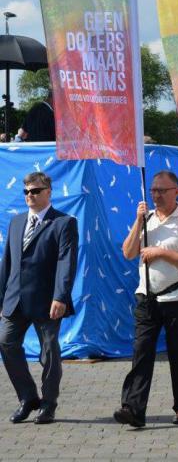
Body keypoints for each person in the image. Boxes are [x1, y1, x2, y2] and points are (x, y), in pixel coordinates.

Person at [114, 171, 178, 428]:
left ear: (176, 191)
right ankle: (133, 408)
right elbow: (129, 252)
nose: (156, 195)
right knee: (141, 353)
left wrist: (162, 253)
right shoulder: (147, 220)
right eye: (153, 190)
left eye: (162, 190)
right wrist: (137, 221)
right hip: (147, 298)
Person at [0, 171, 77, 425]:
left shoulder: (64, 223)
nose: (29, 196)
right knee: (6, 343)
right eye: (26, 192)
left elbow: (66, 262)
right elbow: (8, 263)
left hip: (47, 301)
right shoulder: (16, 222)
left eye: (35, 191)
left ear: (48, 192)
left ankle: (49, 404)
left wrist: (61, 296)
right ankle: (28, 398)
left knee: (49, 353)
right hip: (15, 300)